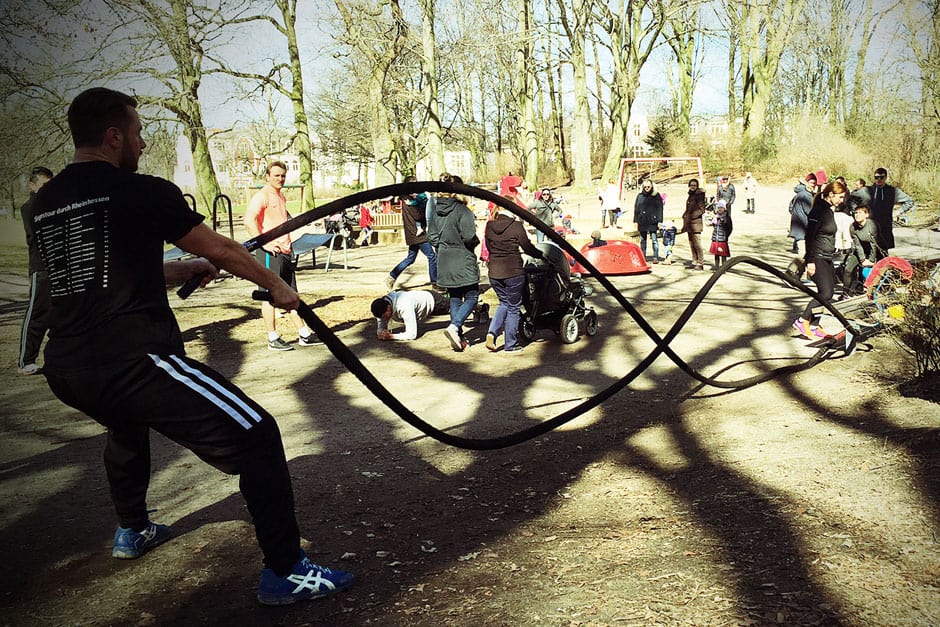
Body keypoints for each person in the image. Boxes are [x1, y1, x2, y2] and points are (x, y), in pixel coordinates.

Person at [28, 87, 354, 605]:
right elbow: (223, 247)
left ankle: (132, 529)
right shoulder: (141, 190)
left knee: (126, 423)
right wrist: (277, 287)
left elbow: (90, 277)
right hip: (134, 359)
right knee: (258, 435)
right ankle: (286, 572)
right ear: (114, 137)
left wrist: (181, 269)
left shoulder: (42, 204)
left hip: (69, 367)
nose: (141, 141)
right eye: (136, 132)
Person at [244, 161, 316, 351]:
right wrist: (264, 243)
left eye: (283, 175)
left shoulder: (281, 196)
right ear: (267, 176)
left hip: (284, 252)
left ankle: (304, 334)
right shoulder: (262, 196)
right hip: (269, 253)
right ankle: (272, 338)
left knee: (290, 295)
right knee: (269, 296)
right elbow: (248, 220)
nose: (280, 179)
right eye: (276, 175)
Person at [428, 173, 479, 351]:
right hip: (462, 258)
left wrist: (443, 246)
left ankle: (458, 336)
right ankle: (455, 325)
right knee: (472, 296)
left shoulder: (435, 212)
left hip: (444, 260)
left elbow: (432, 237)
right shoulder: (463, 211)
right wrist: (472, 243)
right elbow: (468, 236)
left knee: (455, 297)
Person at [483, 204, 544, 353]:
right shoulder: (516, 226)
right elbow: (527, 246)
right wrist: (541, 255)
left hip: (494, 272)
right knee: (513, 307)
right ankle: (510, 344)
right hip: (513, 271)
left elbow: (489, 247)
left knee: (504, 302)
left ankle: (492, 333)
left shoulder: (489, 225)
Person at [792, 180, 847, 339]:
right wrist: (810, 261)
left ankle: (814, 325)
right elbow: (810, 237)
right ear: (831, 194)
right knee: (826, 292)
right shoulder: (818, 211)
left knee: (827, 294)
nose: (842, 200)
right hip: (817, 257)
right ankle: (803, 320)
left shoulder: (828, 210)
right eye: (840, 197)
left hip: (828, 257)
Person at [17, 166, 54, 375]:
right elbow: (36, 235)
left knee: (59, 313)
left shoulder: (52, 205)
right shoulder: (29, 208)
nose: (48, 189)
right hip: (41, 269)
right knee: (36, 314)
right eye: (44, 185)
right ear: (33, 185)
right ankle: (26, 361)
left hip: (57, 269)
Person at [386, 175, 438, 290]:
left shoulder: (407, 198)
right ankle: (435, 282)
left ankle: (391, 277)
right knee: (432, 256)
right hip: (418, 234)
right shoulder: (408, 199)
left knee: (410, 258)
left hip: (413, 233)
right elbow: (418, 215)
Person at [866, 167, 915, 256]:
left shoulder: (892, 191)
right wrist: (860, 213)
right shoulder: (868, 190)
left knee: (885, 254)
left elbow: (909, 201)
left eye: (881, 177)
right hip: (870, 226)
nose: (879, 180)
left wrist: (898, 212)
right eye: (876, 177)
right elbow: (852, 200)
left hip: (885, 226)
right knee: (869, 253)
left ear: (886, 178)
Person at [371, 289, 449, 341]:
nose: (384, 319)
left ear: (388, 308)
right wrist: (380, 332)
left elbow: (412, 334)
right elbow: (381, 324)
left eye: (385, 317)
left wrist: (391, 336)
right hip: (420, 297)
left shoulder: (404, 306)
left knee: (456, 308)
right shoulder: (382, 306)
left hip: (434, 302)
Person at [633, 178, 664, 263]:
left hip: (652, 220)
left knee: (654, 239)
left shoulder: (656, 195)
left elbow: (660, 209)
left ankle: (655, 257)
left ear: (652, 186)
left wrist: (660, 221)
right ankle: (643, 257)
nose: (647, 188)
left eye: (648, 186)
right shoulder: (639, 196)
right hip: (642, 221)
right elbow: (636, 209)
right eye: (645, 186)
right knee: (643, 240)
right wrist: (635, 221)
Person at [680, 178, 706, 271]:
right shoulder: (690, 195)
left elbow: (702, 209)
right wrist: (685, 215)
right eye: (691, 185)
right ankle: (694, 261)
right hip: (689, 223)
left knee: (697, 243)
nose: (693, 187)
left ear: (697, 186)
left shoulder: (700, 196)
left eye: (694, 185)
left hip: (696, 223)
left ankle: (700, 262)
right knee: (691, 243)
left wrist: (692, 216)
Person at [788, 173, 816, 255]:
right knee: (803, 254)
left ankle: (795, 247)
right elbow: (810, 211)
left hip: (799, 225)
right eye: (811, 183)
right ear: (806, 183)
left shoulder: (801, 193)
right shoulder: (806, 195)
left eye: (815, 183)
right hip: (802, 225)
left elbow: (791, 206)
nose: (813, 185)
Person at [709, 200, 732, 271]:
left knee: (723, 254)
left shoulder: (726, 217)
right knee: (716, 253)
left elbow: (730, 228)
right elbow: (714, 226)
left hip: (722, 239)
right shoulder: (716, 217)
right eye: (719, 208)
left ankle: (723, 267)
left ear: (724, 209)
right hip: (716, 238)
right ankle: (716, 266)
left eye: (721, 208)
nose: (720, 209)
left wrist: (726, 235)